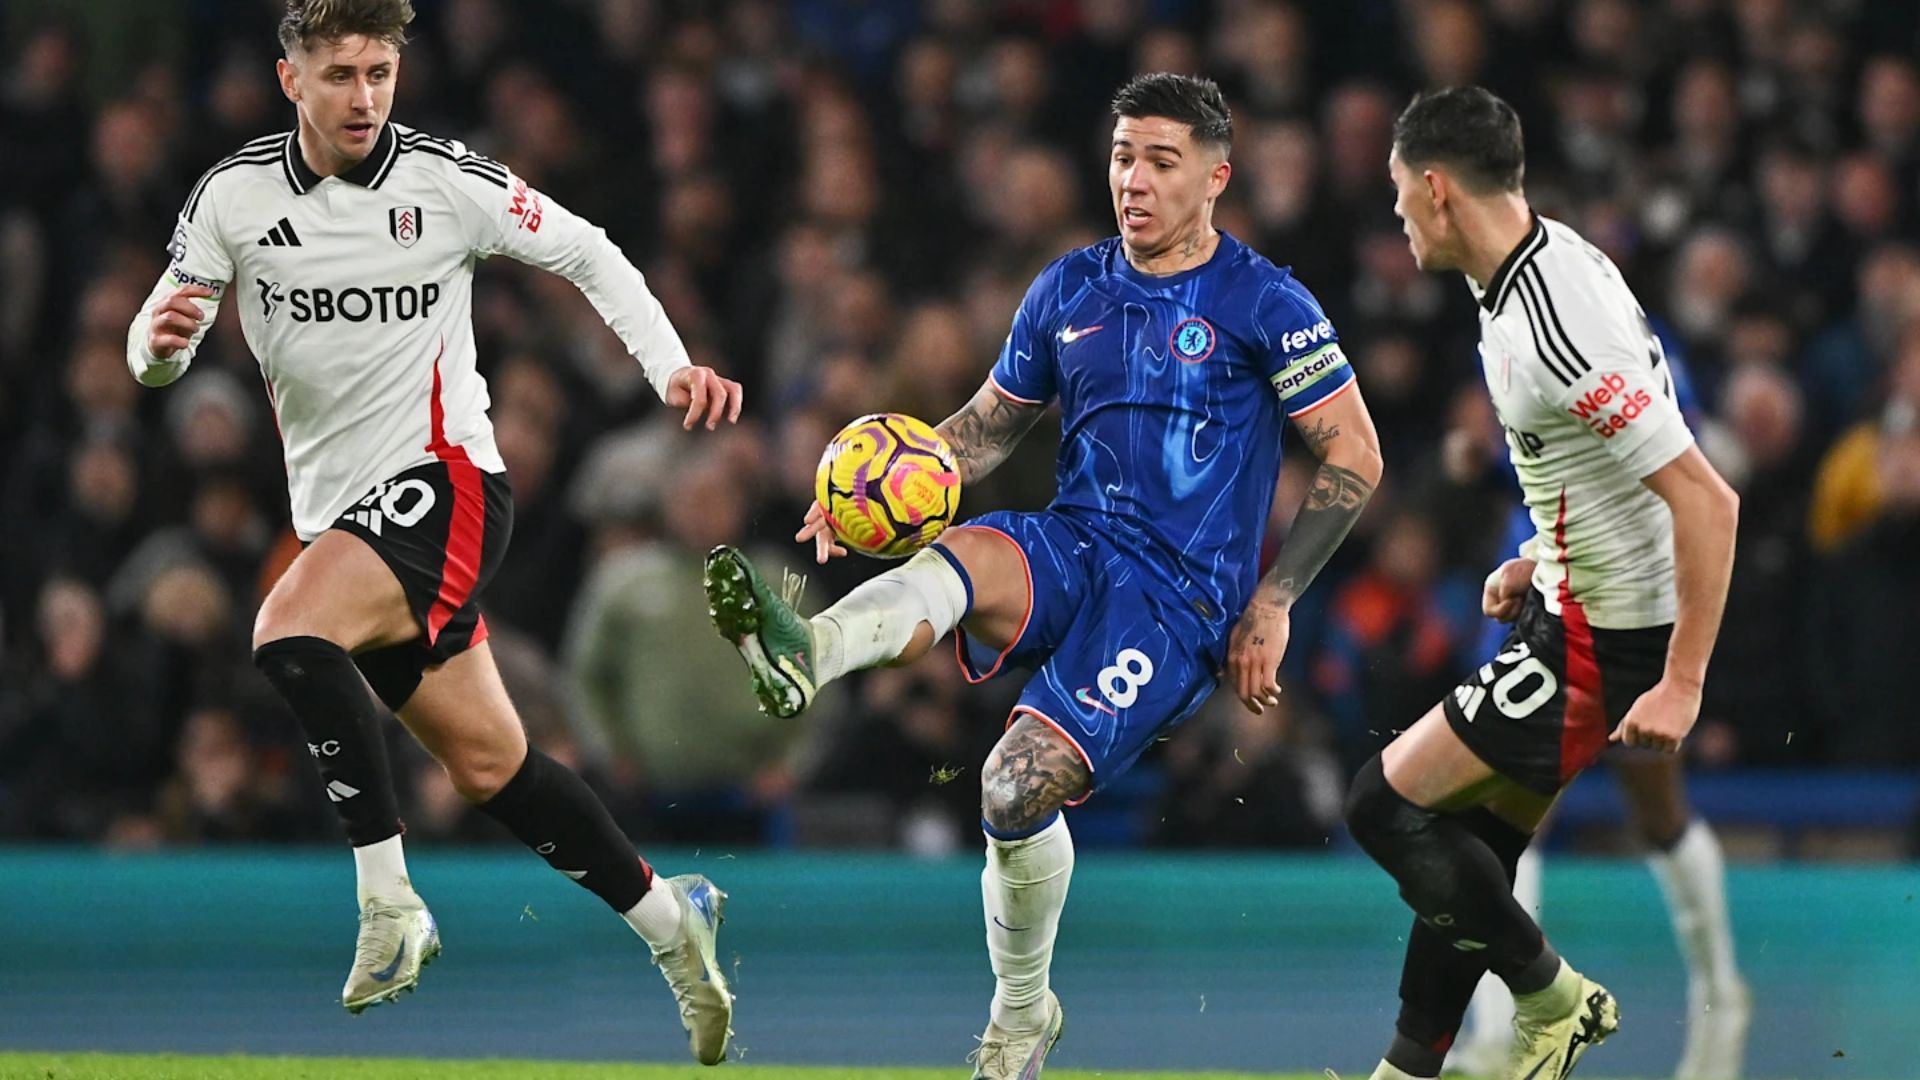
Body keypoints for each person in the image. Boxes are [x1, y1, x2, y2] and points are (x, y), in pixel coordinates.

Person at [705, 73, 1383, 1079]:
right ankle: (811, 651)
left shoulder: (1264, 301)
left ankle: (1024, 1012)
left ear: (1216, 178)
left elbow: (1356, 455)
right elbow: (982, 433)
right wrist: (869, 493)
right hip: (1077, 541)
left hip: (1177, 600)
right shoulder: (1070, 288)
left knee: (1013, 788)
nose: (1134, 181)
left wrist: (1274, 603)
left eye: (1161, 161)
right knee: (972, 552)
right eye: (1122, 157)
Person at [123, 0, 740, 1063]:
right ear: (291, 81)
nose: (364, 96)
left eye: (380, 71)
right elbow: (154, 341)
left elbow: (589, 252)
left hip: (446, 483)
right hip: (342, 518)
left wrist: (669, 367)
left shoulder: (446, 183)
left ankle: (389, 900)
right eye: (340, 75)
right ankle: (674, 926)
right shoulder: (233, 198)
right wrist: (161, 350)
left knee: (286, 633)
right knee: (496, 770)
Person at [1350, 86, 1739, 1080]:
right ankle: (1408, 1066)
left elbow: (1706, 500)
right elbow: (1605, 470)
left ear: (1437, 190)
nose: (1396, 217)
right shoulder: (1544, 265)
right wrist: (1540, 557)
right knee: (1474, 837)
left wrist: (1683, 680)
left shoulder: (1553, 319)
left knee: (1385, 806)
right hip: (1576, 603)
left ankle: (1555, 997)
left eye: (1399, 195)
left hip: (1611, 639)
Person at [1451, 353, 1749, 1080]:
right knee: (1509, 808)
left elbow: (1673, 479)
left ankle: (1721, 994)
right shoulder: (1519, 331)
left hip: (1626, 608)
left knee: (1654, 808)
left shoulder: (1622, 347)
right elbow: (1545, 469)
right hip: (1547, 609)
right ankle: (1497, 1032)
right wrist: (1485, 466)